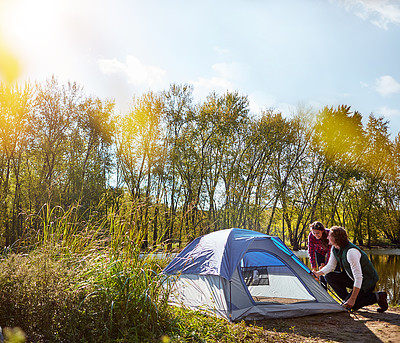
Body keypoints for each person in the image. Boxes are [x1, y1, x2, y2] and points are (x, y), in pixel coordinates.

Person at [313, 226, 388, 312]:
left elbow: (359, 278)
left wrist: (352, 299)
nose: (327, 237)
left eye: (329, 235)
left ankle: (378, 297)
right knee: (329, 276)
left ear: (336, 238)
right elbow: (331, 266)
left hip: (367, 282)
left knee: (353, 306)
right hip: (352, 278)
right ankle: (347, 300)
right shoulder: (335, 248)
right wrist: (318, 273)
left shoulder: (351, 252)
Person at [308, 221, 331, 289]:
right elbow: (311, 251)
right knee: (321, 270)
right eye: (314, 233)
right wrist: (314, 268)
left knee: (334, 269)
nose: (315, 235)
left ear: (322, 231)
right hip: (320, 252)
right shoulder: (311, 236)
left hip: (330, 251)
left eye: (318, 233)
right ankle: (324, 292)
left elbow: (330, 252)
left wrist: (326, 265)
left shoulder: (329, 234)